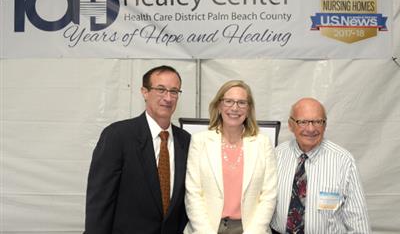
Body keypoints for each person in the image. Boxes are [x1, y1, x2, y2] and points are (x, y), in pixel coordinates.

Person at [84, 65, 191, 234]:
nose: (168, 98)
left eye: (174, 91)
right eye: (161, 90)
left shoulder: (186, 141)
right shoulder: (118, 136)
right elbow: (100, 202)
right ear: (144, 92)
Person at [185, 80, 277, 234]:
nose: (235, 108)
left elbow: (269, 195)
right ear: (219, 106)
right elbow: (193, 193)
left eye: (242, 103)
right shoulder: (200, 141)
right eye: (228, 101)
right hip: (206, 229)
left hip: (250, 229)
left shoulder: (263, 143)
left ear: (248, 109)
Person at [270, 97, 371, 234]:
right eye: (303, 122)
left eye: (318, 122)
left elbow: (358, 219)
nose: (311, 129)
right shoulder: (276, 156)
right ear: (290, 125)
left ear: (325, 125)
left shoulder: (343, 161)